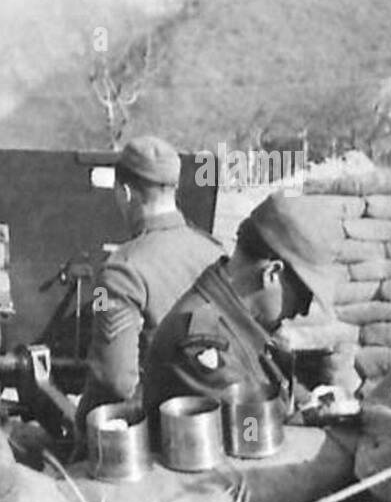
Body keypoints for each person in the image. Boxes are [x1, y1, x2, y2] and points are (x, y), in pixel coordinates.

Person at [142, 191, 339, 418]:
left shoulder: (242, 320)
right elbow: (249, 430)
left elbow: (267, 383)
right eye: (303, 295)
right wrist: (310, 417)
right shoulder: (202, 340)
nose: (302, 311)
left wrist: (313, 399)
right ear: (272, 274)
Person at [76, 136, 223, 432]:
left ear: (125, 193)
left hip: (157, 434)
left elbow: (114, 380)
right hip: (217, 422)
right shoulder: (216, 252)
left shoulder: (120, 271)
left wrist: (81, 425)